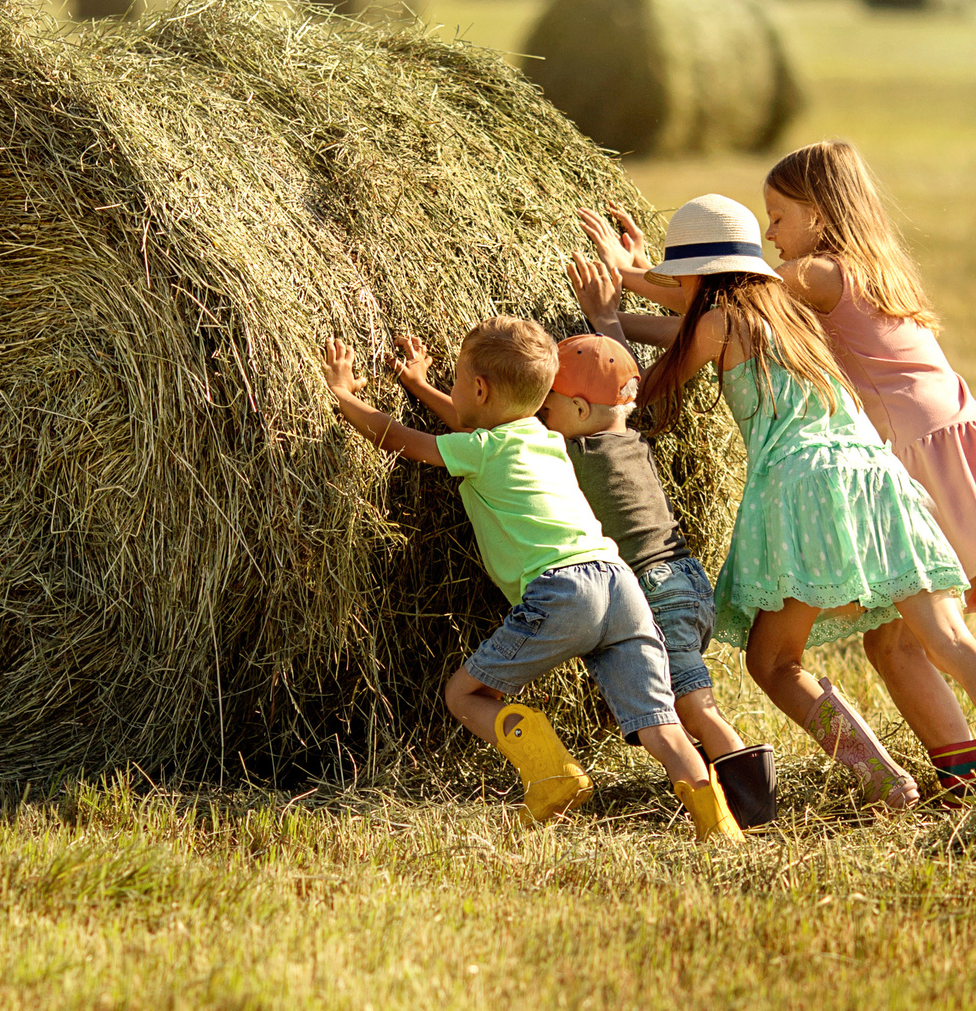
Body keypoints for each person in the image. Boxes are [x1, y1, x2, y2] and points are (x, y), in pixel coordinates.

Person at [573, 196, 976, 819]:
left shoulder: (716, 323)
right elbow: (687, 325)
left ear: (699, 274)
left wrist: (603, 317)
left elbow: (639, 391)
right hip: (880, 480)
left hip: (804, 485)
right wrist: (637, 283)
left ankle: (884, 782)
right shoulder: (790, 311)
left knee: (773, 662)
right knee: (951, 639)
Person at [319, 315, 745, 840]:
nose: (455, 390)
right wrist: (420, 383)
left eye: (456, 379)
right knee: (660, 723)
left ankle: (551, 775)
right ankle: (719, 825)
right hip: (620, 583)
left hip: (564, 591)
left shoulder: (485, 449)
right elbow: (470, 421)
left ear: (478, 387)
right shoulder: (543, 437)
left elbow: (408, 442)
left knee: (464, 695)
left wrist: (343, 396)